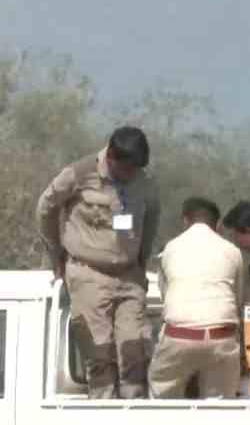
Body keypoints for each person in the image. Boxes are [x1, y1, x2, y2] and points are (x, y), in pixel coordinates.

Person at [36, 126, 162, 399]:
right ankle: (103, 419)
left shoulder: (144, 182)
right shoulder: (80, 173)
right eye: (128, 168)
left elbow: (151, 216)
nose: (132, 175)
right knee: (100, 356)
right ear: (113, 158)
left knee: (135, 354)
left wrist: (141, 260)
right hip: (89, 274)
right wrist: (55, 254)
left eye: (137, 170)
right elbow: (45, 207)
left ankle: (134, 418)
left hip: (129, 276)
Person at [147, 197, 244, 399]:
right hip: (222, 336)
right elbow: (238, 299)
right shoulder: (233, 251)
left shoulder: (170, 249)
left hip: (179, 335)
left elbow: (166, 297)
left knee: (162, 396)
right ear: (217, 225)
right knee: (220, 406)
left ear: (185, 221)